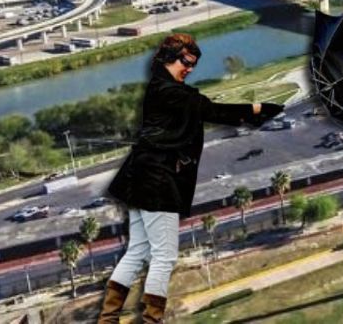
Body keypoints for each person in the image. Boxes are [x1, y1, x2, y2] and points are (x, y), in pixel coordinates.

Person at [98, 33, 284, 323]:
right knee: (164, 256)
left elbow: (205, 111)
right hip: (158, 182)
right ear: (168, 57)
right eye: (186, 61)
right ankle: (151, 319)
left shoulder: (159, 87)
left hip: (139, 178)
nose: (190, 68)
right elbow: (212, 111)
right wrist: (258, 109)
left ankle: (108, 319)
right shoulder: (172, 93)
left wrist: (254, 113)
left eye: (194, 63)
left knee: (137, 251)